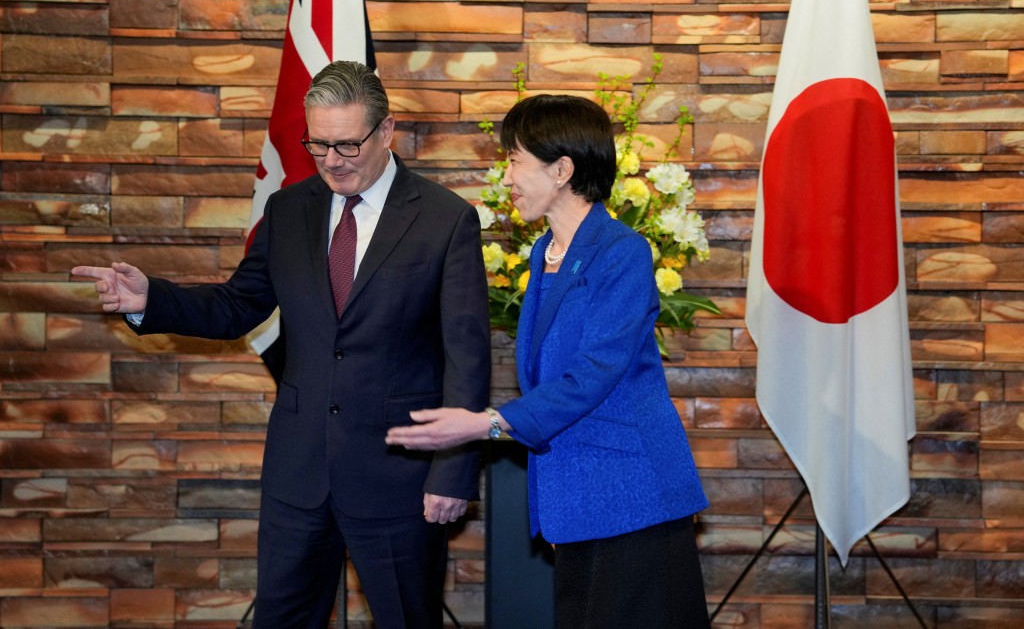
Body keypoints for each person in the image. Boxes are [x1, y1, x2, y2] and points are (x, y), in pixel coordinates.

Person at [72, 61, 491, 628]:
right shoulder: (289, 208)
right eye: (318, 145)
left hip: (399, 478)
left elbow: (467, 357)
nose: (332, 161)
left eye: (347, 145)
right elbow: (238, 306)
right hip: (298, 475)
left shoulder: (446, 219)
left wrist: (453, 474)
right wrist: (152, 300)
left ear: (387, 130)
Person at [386, 94, 711, 627]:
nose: (506, 176)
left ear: (562, 170)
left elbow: (591, 376)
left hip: (630, 495)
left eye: (514, 159)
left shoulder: (621, 251)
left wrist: (487, 422)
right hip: (578, 497)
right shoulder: (544, 252)